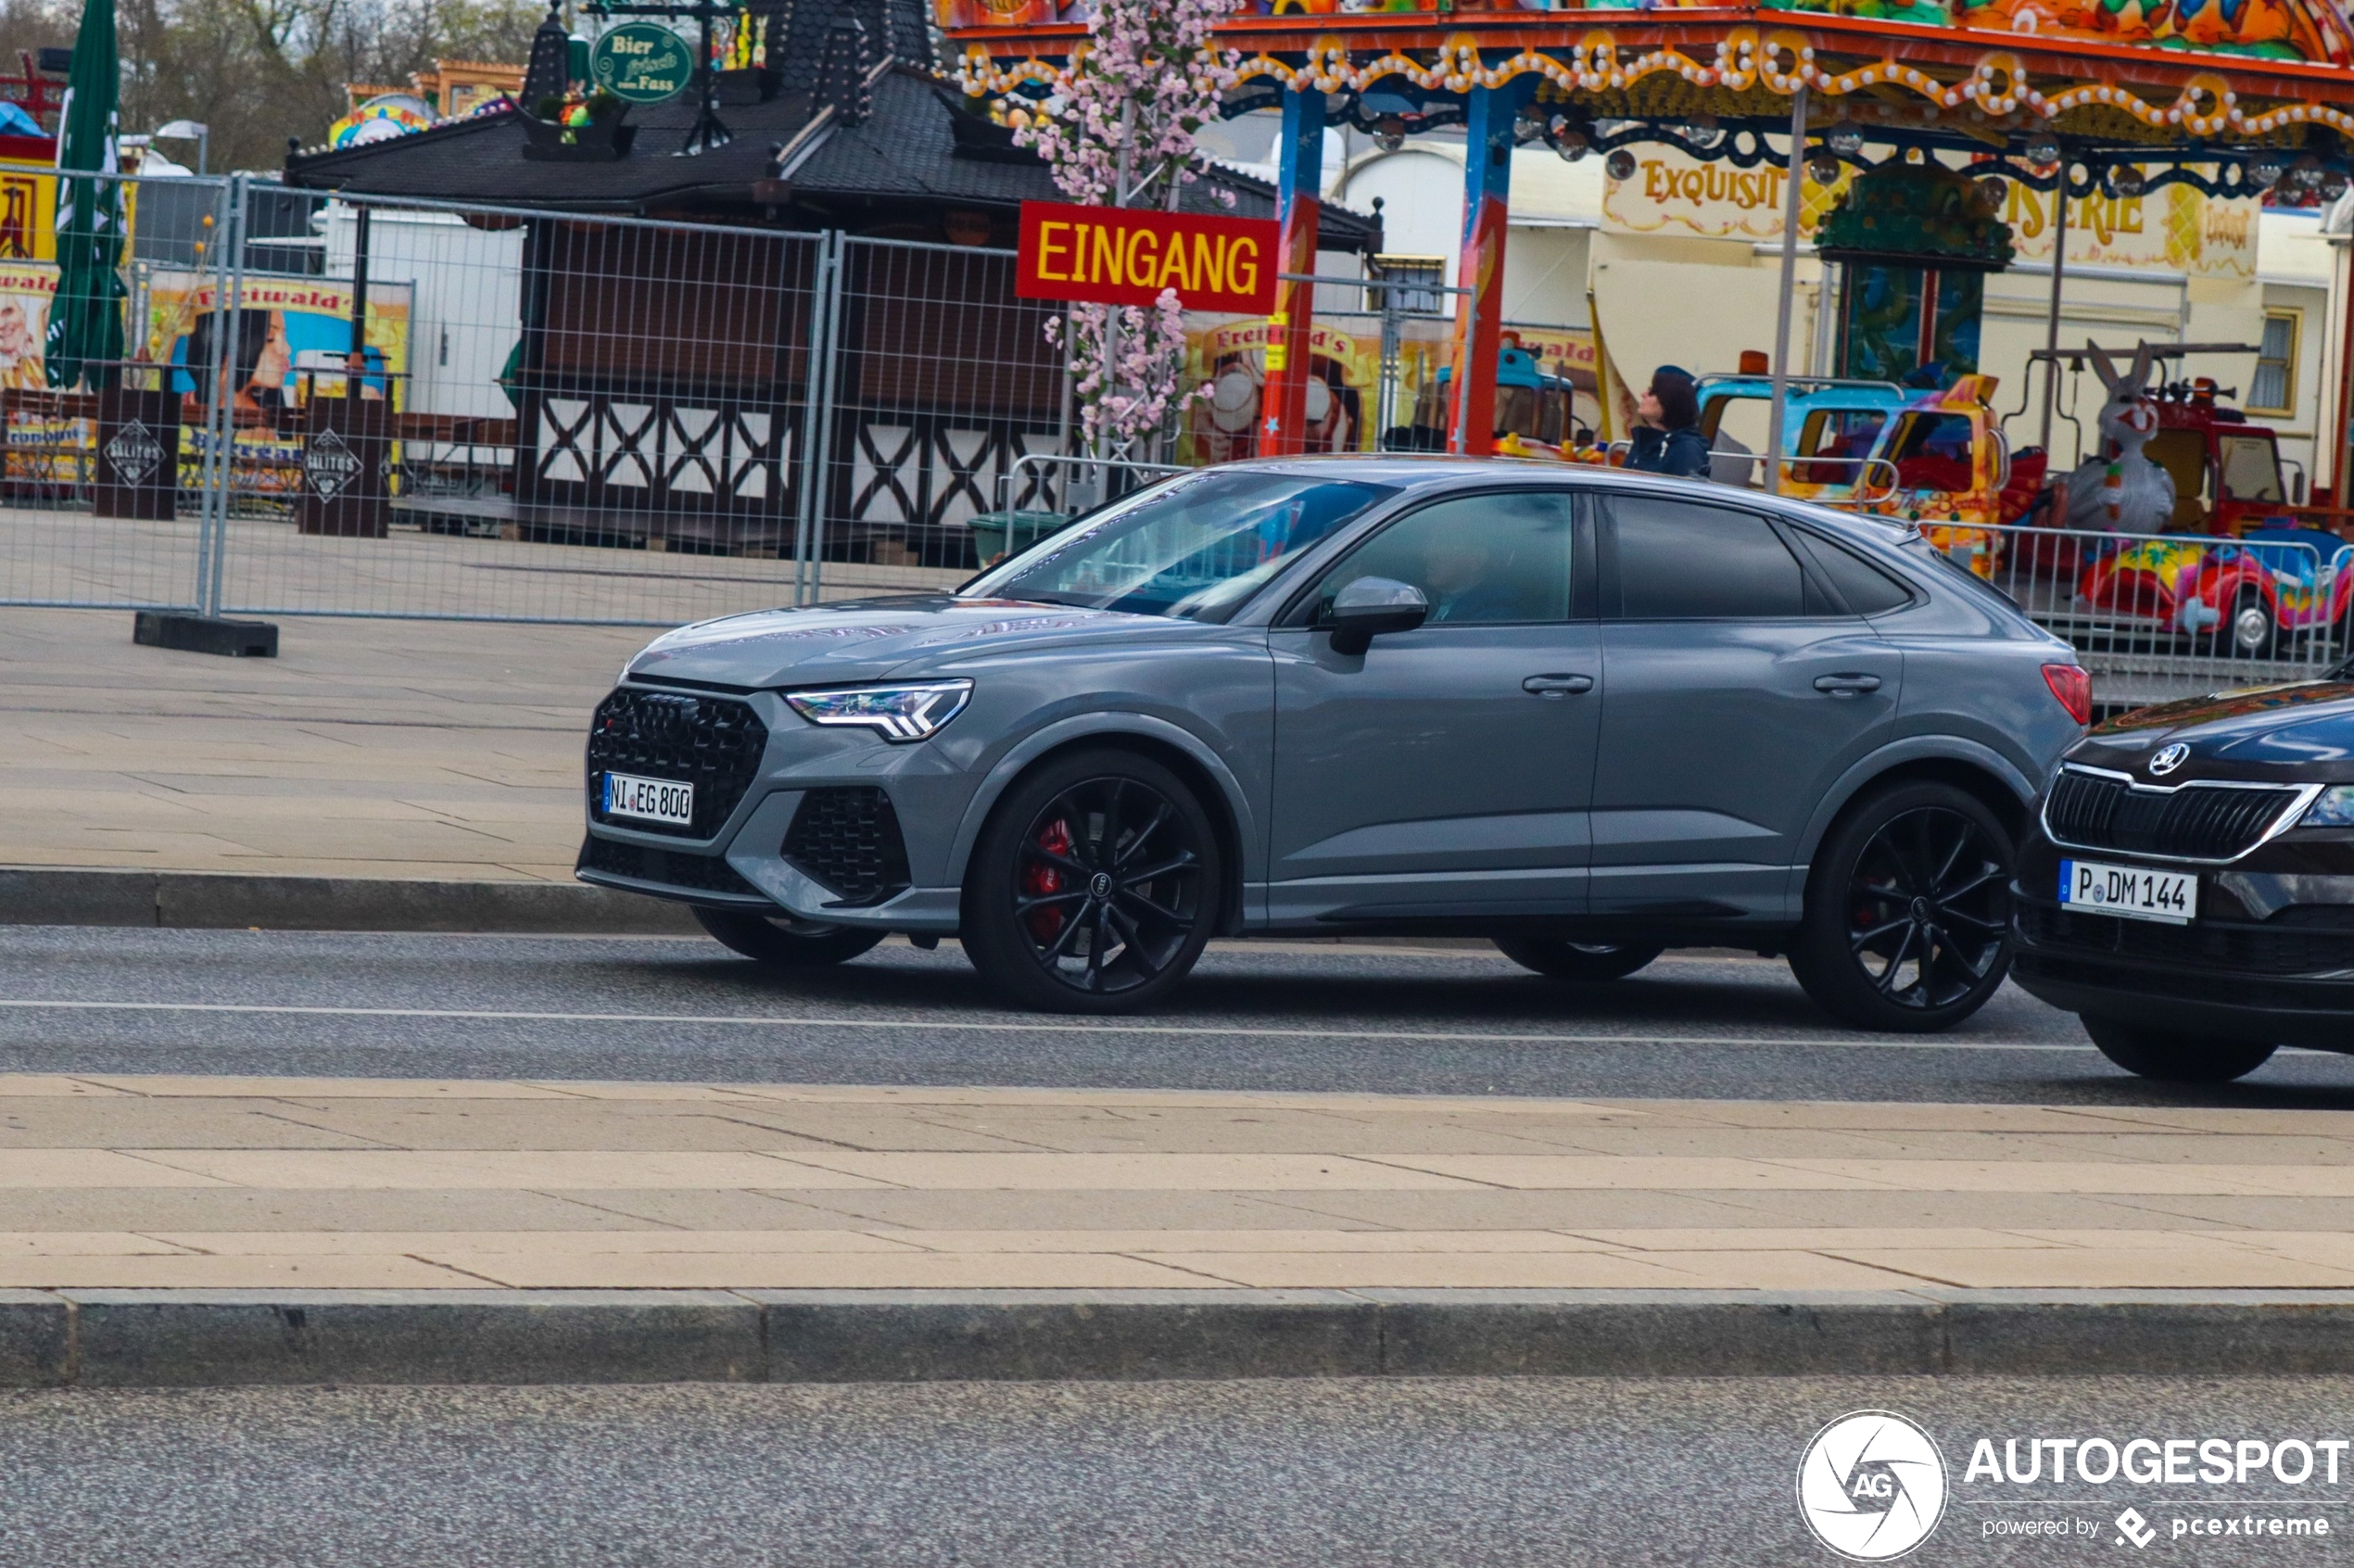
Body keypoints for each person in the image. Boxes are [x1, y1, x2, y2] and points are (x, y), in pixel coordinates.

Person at [1624, 365, 1711, 479]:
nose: (1643, 394)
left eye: (1652, 392)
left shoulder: (1686, 449)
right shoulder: (1643, 442)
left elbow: (1685, 494)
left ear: (1669, 401)